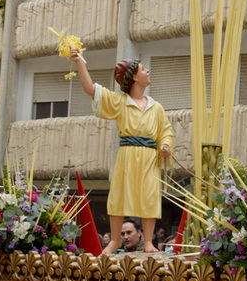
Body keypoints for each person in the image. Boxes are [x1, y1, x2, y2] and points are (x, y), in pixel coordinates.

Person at [70, 47, 173, 255]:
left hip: (150, 158)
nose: (147, 72)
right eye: (144, 70)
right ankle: (115, 240)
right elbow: (91, 89)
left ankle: (147, 242)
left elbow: (166, 131)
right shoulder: (120, 102)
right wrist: (79, 62)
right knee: (117, 196)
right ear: (134, 77)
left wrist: (165, 145)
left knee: (150, 197)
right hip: (127, 155)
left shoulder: (157, 107)